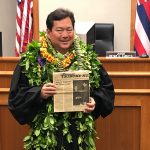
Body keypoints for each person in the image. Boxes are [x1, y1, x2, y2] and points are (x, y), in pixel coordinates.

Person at [8, 8, 115, 150]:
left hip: (78, 135)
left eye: (69, 30)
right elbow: (16, 99)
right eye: (59, 30)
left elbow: (106, 91)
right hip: (46, 137)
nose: (65, 35)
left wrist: (95, 101)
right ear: (48, 32)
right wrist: (39, 93)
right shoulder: (32, 59)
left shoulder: (88, 57)